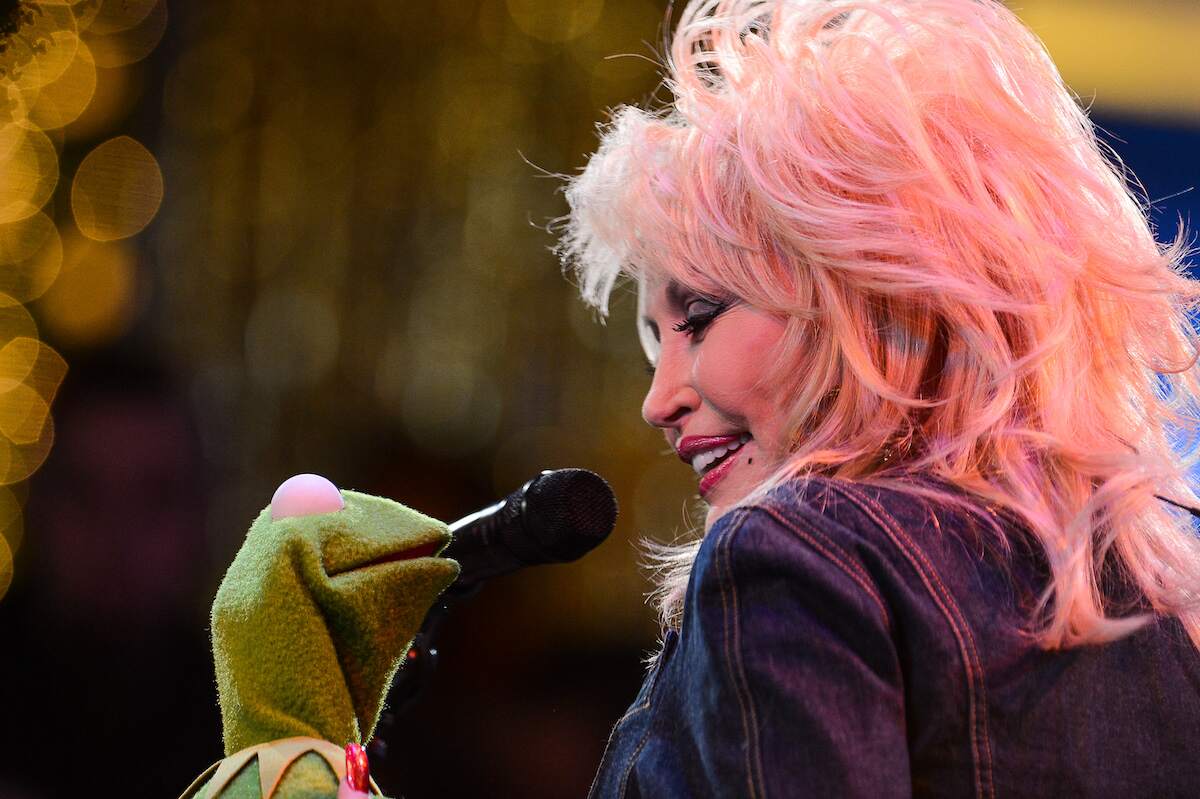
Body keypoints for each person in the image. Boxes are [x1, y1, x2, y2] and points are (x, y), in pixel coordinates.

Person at [558, 0, 1200, 795]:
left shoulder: (789, 557)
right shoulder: (1152, 595)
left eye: (697, 319)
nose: (658, 401)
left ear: (862, 297)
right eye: (655, 340)